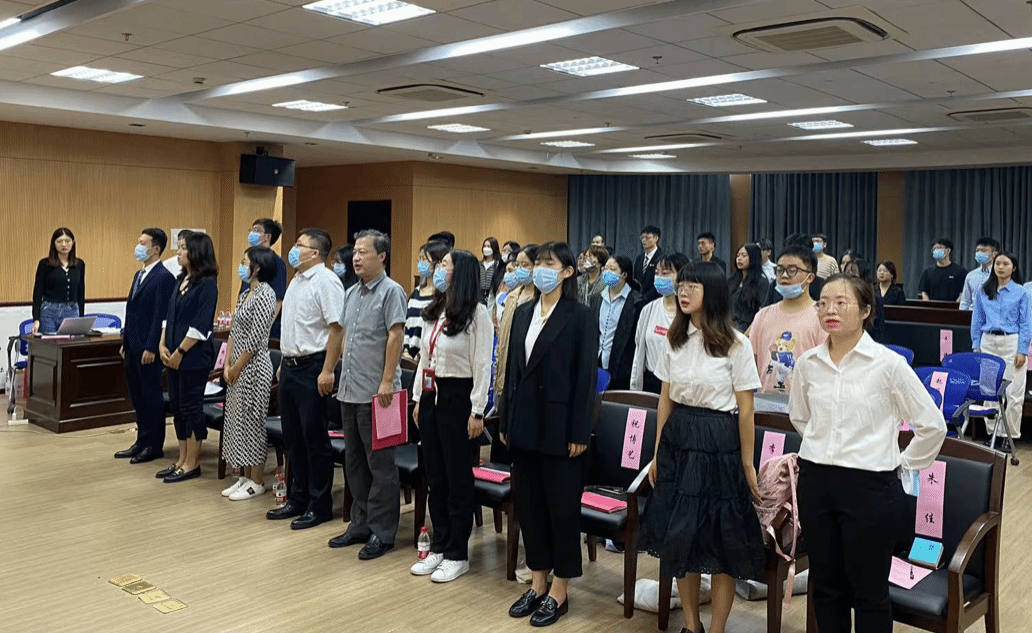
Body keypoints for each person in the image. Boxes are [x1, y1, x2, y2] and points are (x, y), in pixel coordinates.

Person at [790, 273, 946, 633]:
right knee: (826, 587)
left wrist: (903, 464)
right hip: (816, 481)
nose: (830, 310)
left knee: (870, 592)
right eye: (823, 302)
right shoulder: (808, 363)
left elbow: (932, 425)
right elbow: (800, 417)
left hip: (870, 488)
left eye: (841, 302)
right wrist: (825, 442)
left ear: (865, 310)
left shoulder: (888, 364)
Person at [640, 261, 765, 633]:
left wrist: (747, 464)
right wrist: (657, 453)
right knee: (681, 538)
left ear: (713, 293)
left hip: (719, 443)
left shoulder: (736, 343)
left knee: (721, 543)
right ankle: (692, 624)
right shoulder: (674, 338)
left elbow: (746, 411)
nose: (683, 291)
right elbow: (665, 399)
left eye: (692, 286)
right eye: (682, 285)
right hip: (679, 440)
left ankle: (717, 629)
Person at [500, 241, 597, 627]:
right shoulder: (523, 311)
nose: (540, 268)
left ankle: (560, 589)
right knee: (530, 507)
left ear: (567, 271)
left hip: (561, 427)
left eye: (548, 263)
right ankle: (537, 582)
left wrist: (579, 431)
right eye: (537, 262)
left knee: (562, 510)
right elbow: (512, 371)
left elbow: (585, 379)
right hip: (524, 423)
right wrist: (505, 421)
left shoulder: (579, 316)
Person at [408, 250, 492, 582]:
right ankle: (439, 545)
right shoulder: (436, 309)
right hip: (432, 396)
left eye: (445, 265)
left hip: (460, 398)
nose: (438, 270)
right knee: (436, 477)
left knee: (458, 479)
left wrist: (477, 410)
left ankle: (458, 552)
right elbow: (424, 360)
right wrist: (418, 398)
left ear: (461, 274)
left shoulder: (477, 315)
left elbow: (482, 365)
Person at [329, 229, 408, 560]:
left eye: (363, 252)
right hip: (350, 391)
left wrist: (387, 381)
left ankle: (383, 532)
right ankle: (359, 524)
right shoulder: (351, 293)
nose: (356, 258)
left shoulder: (392, 291)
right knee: (355, 464)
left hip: (382, 395)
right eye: (355, 252)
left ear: (382, 256)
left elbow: (396, 336)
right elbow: (343, 335)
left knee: (382, 467)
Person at [266, 228, 345, 529]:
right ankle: (297, 498)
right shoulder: (297, 280)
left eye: (300, 244)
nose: (294, 248)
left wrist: (328, 370)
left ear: (315, 253)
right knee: (293, 439)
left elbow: (336, 328)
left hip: (313, 367)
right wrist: (284, 362)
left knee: (314, 439)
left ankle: (319, 504)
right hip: (290, 366)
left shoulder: (326, 281)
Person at [155, 232, 218, 483]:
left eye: (183, 248)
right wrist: (162, 344)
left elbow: (201, 325)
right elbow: (168, 316)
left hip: (193, 357)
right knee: (178, 407)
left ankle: (192, 463)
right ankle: (181, 459)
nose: (178, 253)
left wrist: (180, 352)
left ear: (196, 253)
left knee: (191, 408)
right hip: (171, 353)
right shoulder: (181, 279)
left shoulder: (207, 284)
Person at [220, 246, 278, 501]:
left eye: (245, 262)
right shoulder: (245, 293)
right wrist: (227, 365)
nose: (241, 266)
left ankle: (257, 480)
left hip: (253, 367)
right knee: (238, 422)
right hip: (236, 367)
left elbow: (255, 339)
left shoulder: (266, 293)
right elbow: (233, 332)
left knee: (253, 422)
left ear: (257, 267)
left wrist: (237, 366)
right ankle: (243, 476)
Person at [115, 228, 177, 464]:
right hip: (132, 345)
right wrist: (125, 342)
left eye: (143, 243)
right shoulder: (138, 274)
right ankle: (141, 440)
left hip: (148, 349)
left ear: (156, 249)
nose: (138, 247)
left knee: (151, 396)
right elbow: (131, 310)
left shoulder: (164, 277)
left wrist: (151, 346)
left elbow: (160, 316)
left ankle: (153, 444)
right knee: (137, 395)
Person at [971, 252, 1030, 453]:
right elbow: (977, 320)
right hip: (988, 342)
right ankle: (992, 434)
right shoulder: (983, 290)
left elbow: (1026, 324)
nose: (1001, 267)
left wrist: (1022, 350)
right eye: (998, 263)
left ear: (1014, 268)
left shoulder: (1021, 292)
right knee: (989, 390)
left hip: (1011, 342)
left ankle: (1008, 436)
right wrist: (976, 344)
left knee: (1013, 393)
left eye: (1006, 264)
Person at [748, 244, 826, 393]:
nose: (784, 275)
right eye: (779, 270)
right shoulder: (762, 316)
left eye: (792, 270)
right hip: (766, 402)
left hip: (805, 403)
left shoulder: (821, 317)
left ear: (810, 277)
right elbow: (751, 365)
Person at [631, 252, 690, 393]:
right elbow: (638, 354)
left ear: (682, 277)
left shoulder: (689, 313)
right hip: (650, 382)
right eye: (657, 273)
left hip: (679, 385)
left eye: (666, 273)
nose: (659, 277)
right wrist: (634, 388)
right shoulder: (648, 310)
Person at [494, 244, 539, 418]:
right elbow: (503, 338)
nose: (520, 269)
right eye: (517, 265)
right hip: (505, 370)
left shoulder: (539, 299)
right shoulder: (512, 296)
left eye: (525, 265)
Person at [590, 255, 642, 391]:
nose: (606, 272)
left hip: (622, 367)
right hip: (597, 361)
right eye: (605, 268)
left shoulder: (637, 302)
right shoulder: (598, 297)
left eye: (612, 269)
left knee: (616, 401)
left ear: (624, 275)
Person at [32, 228, 85, 334]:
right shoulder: (45, 264)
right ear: (54, 243)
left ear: (73, 242)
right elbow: (37, 293)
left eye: (67, 241)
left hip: (71, 310)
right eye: (60, 241)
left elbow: (81, 293)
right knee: (50, 343)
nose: (64, 244)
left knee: (71, 343)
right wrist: (36, 319)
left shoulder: (79, 264)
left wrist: (81, 318)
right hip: (49, 311)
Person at [404, 241, 449, 361]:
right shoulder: (416, 292)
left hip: (427, 357)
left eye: (424, 259)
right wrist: (405, 350)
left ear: (438, 263)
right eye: (420, 258)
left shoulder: (441, 297)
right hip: (407, 357)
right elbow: (407, 323)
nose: (420, 262)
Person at [243, 219, 288, 339]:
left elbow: (278, 299)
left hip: (265, 329)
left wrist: (264, 329)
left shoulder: (276, 262)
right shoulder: (250, 261)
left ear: (267, 237)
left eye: (256, 230)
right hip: (246, 325)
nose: (252, 233)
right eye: (251, 230)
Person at [727, 243, 769, 332]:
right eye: (738, 255)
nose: (739, 258)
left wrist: (747, 334)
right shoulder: (732, 280)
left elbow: (762, 312)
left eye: (744, 255)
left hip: (748, 328)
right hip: (729, 326)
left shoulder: (761, 282)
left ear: (754, 258)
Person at [842, 258, 885, 342]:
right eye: (847, 272)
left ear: (863, 276)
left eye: (854, 272)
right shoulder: (840, 296)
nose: (849, 276)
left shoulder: (876, 299)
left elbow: (879, 332)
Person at [918, 237, 966, 302]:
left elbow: (963, 293)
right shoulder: (927, 272)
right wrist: (929, 305)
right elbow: (924, 292)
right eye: (934, 249)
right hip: (932, 307)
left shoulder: (960, 271)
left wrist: (954, 305)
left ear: (948, 250)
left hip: (954, 307)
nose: (936, 250)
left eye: (939, 248)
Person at [960, 237, 1000, 311]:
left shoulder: (1001, 275)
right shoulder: (971, 275)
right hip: (972, 314)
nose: (979, 253)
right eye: (977, 250)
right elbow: (965, 302)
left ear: (995, 254)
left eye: (983, 251)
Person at [634, 225, 664, 297]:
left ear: (656, 238)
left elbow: (660, 281)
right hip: (638, 299)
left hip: (654, 298)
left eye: (647, 237)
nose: (644, 240)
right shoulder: (639, 259)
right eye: (642, 238)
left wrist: (645, 298)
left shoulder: (662, 258)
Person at [480, 237, 502, 302]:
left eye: (489, 246)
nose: (486, 248)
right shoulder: (479, 264)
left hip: (492, 295)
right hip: (479, 294)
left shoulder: (498, 264)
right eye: (484, 246)